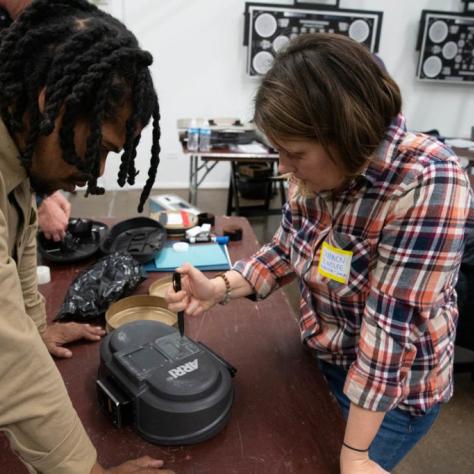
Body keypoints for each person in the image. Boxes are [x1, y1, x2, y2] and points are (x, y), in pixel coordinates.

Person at [167, 33, 473, 473]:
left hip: (396, 391)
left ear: (347, 135)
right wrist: (219, 287)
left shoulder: (429, 183)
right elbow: (290, 246)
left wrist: (355, 454)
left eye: (295, 154)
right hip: (324, 352)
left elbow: (388, 332)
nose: (283, 169)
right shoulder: (316, 172)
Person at [0, 0, 171, 472]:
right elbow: (8, 367)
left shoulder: (15, 151)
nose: (96, 171)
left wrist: (35, 331)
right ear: (49, 101)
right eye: (98, 147)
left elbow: (21, 238)